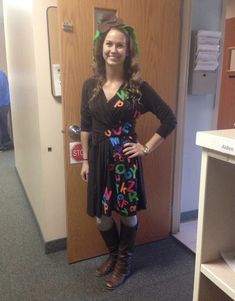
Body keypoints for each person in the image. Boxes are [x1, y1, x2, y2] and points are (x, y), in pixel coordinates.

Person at [80, 14, 177, 290]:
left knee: (127, 213)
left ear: (128, 50)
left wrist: (145, 148)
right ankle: (113, 255)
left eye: (120, 45)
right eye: (109, 44)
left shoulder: (138, 88)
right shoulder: (90, 85)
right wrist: (85, 160)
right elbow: (85, 125)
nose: (113, 50)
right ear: (101, 47)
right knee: (101, 215)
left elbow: (169, 119)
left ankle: (124, 262)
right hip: (97, 157)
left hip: (125, 160)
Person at [0, 70, 13, 151]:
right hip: (5, 103)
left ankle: (6, 143)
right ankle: (5, 143)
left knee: (3, 124)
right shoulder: (2, 74)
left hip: (3, 103)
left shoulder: (1, 75)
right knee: (3, 124)